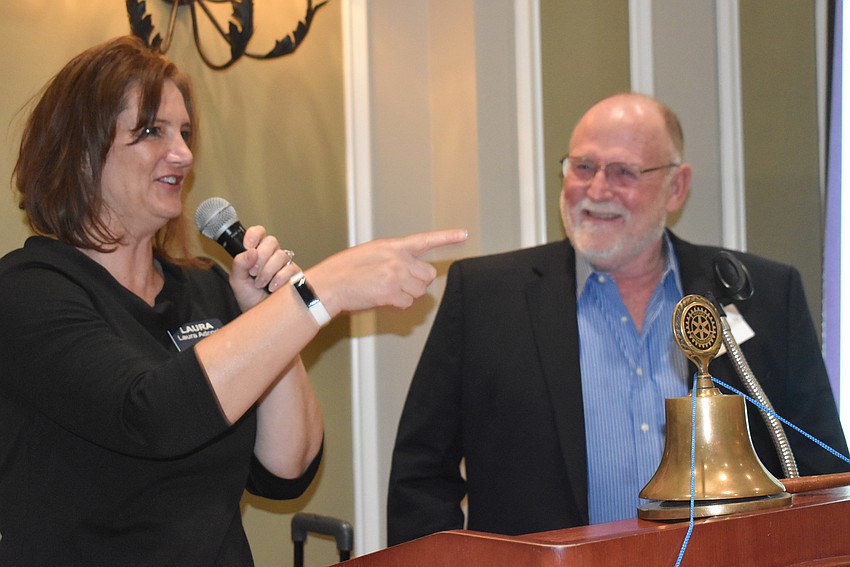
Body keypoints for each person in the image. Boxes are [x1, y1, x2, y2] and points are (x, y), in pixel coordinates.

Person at [0, 36, 466, 566]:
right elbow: (150, 415)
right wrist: (323, 291)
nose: (183, 153)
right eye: (151, 131)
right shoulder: (28, 290)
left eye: (185, 132)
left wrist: (270, 310)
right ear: (81, 151)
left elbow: (285, 470)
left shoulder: (203, 287)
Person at [386, 92, 850, 545]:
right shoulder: (486, 296)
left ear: (676, 187)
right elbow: (421, 475)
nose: (597, 189)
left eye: (624, 172)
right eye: (583, 167)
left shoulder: (760, 294)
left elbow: (822, 469)